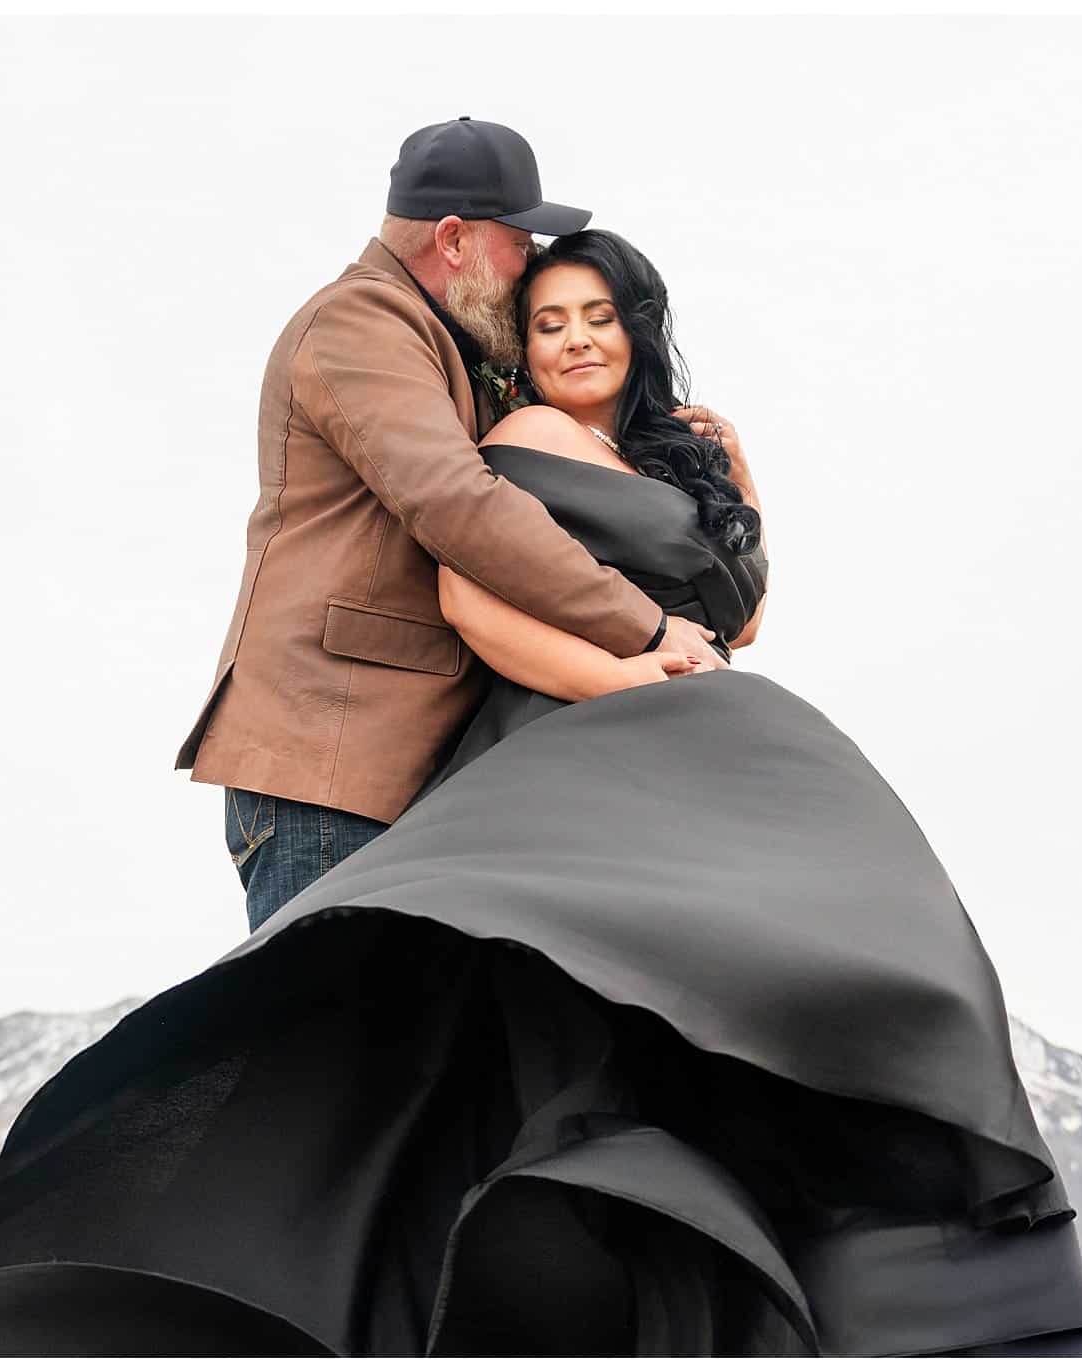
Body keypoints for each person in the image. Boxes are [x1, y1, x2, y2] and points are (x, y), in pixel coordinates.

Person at [0, 227, 1082, 1356]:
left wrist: (737, 498)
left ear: (638, 329)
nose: (571, 338)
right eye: (549, 318)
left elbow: (738, 621)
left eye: (596, 317)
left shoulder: (676, 449)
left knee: (759, 987)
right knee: (503, 1042)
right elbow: (471, 599)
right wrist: (639, 688)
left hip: (687, 750)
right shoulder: (512, 435)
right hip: (576, 744)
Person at [172, 116, 722, 933]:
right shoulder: (360, 324)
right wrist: (645, 632)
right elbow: (457, 503)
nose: (531, 266)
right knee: (338, 1051)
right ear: (456, 239)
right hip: (335, 767)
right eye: (521, 243)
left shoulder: (446, 342)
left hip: (396, 778)